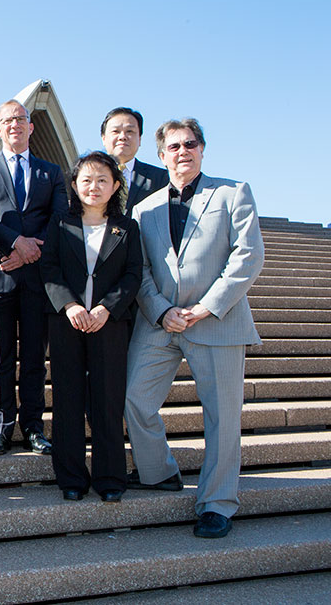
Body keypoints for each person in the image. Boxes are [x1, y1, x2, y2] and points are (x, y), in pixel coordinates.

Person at [125, 118, 263, 539]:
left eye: (191, 144)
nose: (183, 151)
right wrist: (162, 310)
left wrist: (205, 307)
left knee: (222, 417)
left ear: (202, 149)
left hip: (217, 320)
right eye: (174, 146)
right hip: (160, 322)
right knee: (133, 398)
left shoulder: (231, 192)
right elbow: (140, 269)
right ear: (162, 155)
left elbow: (248, 256)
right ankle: (159, 471)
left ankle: (217, 503)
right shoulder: (143, 209)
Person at [40, 151, 141, 503]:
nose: (93, 186)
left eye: (102, 180)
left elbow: (133, 276)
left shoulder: (127, 228)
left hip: (109, 324)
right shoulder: (59, 223)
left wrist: (105, 308)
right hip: (67, 322)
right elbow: (48, 268)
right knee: (67, 399)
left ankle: (110, 477)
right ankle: (70, 477)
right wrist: (69, 305)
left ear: (115, 186)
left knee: (107, 399)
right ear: (74, 185)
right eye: (86, 179)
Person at [0, 100, 68, 456]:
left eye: (21, 118)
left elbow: (60, 218)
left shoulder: (52, 172)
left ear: (31, 127)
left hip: (38, 278)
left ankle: (33, 427)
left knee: (33, 357)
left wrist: (31, 251)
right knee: (0, 358)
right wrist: (15, 244)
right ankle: (0, 430)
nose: (14, 124)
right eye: (7, 120)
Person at [100, 107, 168, 216]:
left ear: (140, 139)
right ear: (104, 138)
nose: (122, 137)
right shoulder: (87, 176)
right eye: (116, 131)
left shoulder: (160, 178)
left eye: (129, 131)